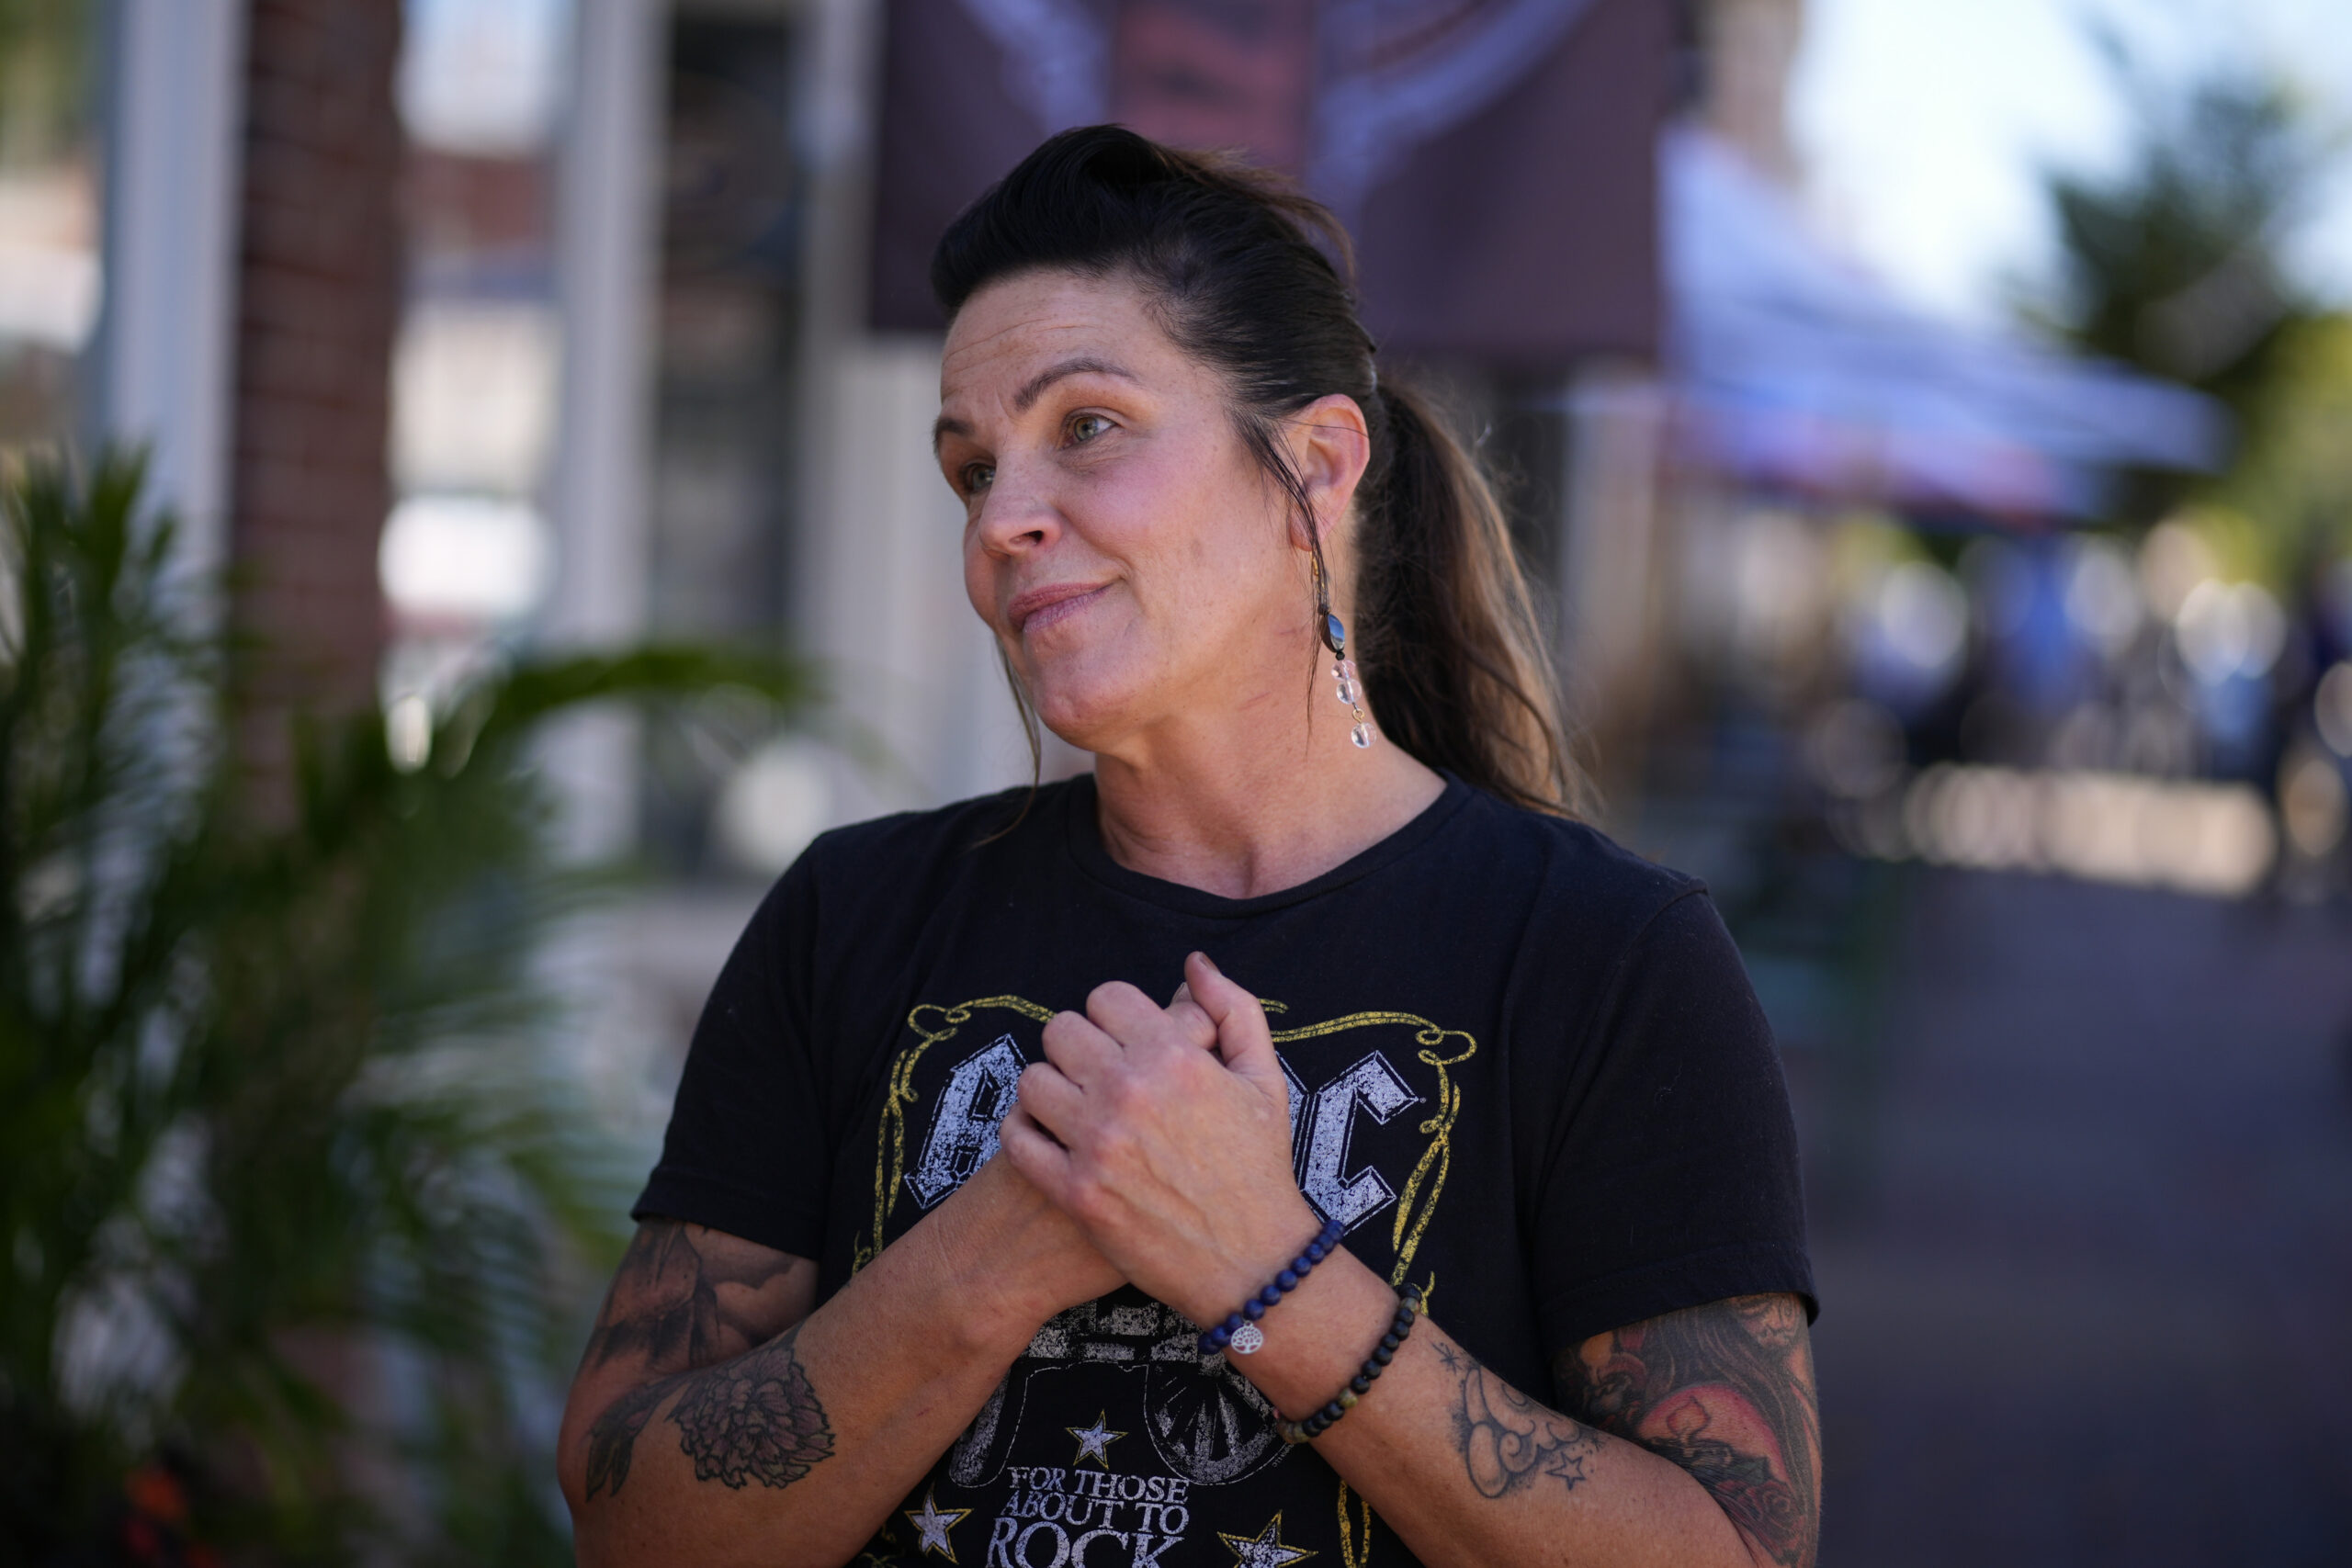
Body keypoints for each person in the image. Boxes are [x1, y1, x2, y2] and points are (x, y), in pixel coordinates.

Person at [558, 125, 1819, 1568]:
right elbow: (628, 1522)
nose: (1003, 525)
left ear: (1314, 466)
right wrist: (988, 1260)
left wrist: (1264, 1263)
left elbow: (1737, 1550)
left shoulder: (1602, 959)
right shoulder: (854, 916)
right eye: (971, 469)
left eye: (1085, 426)